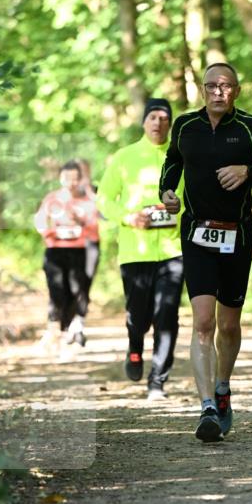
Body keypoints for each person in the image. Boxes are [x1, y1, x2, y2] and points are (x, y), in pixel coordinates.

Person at [159, 62, 252, 441]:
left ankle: (223, 387)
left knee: (228, 326)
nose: (217, 92)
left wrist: (248, 171)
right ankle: (207, 407)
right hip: (196, 234)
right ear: (202, 89)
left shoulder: (250, 127)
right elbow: (173, 162)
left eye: (225, 86)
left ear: (236, 91)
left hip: (237, 236)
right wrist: (166, 192)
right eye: (211, 85)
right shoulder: (184, 126)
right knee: (203, 324)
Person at [97, 98, 184, 401]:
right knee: (139, 317)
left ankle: (157, 380)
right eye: (153, 117)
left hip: (174, 250)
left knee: (167, 315)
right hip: (136, 251)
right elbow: (104, 199)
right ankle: (135, 347)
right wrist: (128, 216)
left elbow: (197, 197)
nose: (158, 123)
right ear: (144, 122)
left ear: (170, 123)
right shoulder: (124, 157)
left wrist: (181, 209)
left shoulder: (181, 156)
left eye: (164, 118)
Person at [34, 160, 97, 353]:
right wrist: (48, 233)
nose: (71, 182)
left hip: (79, 250)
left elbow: (94, 226)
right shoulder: (52, 198)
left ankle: (71, 329)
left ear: (80, 179)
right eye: (67, 178)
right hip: (55, 250)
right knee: (56, 290)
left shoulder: (87, 200)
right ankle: (53, 330)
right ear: (60, 178)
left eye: (75, 178)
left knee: (77, 290)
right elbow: (39, 220)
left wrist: (81, 221)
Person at [75, 158, 102, 300]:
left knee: (88, 277)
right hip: (72, 243)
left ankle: (80, 315)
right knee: (74, 280)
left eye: (85, 170)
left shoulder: (97, 191)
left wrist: (92, 194)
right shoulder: (68, 192)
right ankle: (71, 313)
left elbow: (105, 215)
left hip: (92, 242)